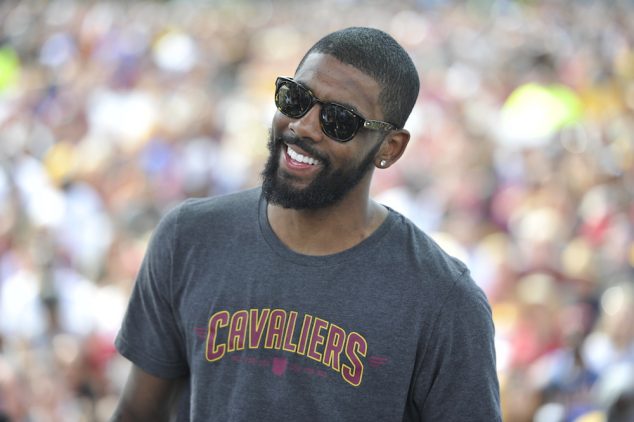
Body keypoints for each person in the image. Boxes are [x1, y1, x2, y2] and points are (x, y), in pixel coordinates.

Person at [111, 27, 501, 421]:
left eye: (338, 120)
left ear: (389, 148)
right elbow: (136, 412)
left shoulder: (444, 301)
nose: (304, 126)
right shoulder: (189, 237)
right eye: (295, 99)